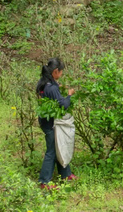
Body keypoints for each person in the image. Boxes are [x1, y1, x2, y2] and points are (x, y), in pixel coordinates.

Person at [36, 58, 78, 189]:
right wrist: (69, 95)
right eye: (61, 72)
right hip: (51, 123)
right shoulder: (52, 88)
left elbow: (52, 93)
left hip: (45, 120)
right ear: (55, 71)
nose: (61, 74)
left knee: (59, 145)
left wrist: (59, 87)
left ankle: (65, 174)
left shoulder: (44, 83)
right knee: (52, 150)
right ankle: (44, 181)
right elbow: (64, 105)